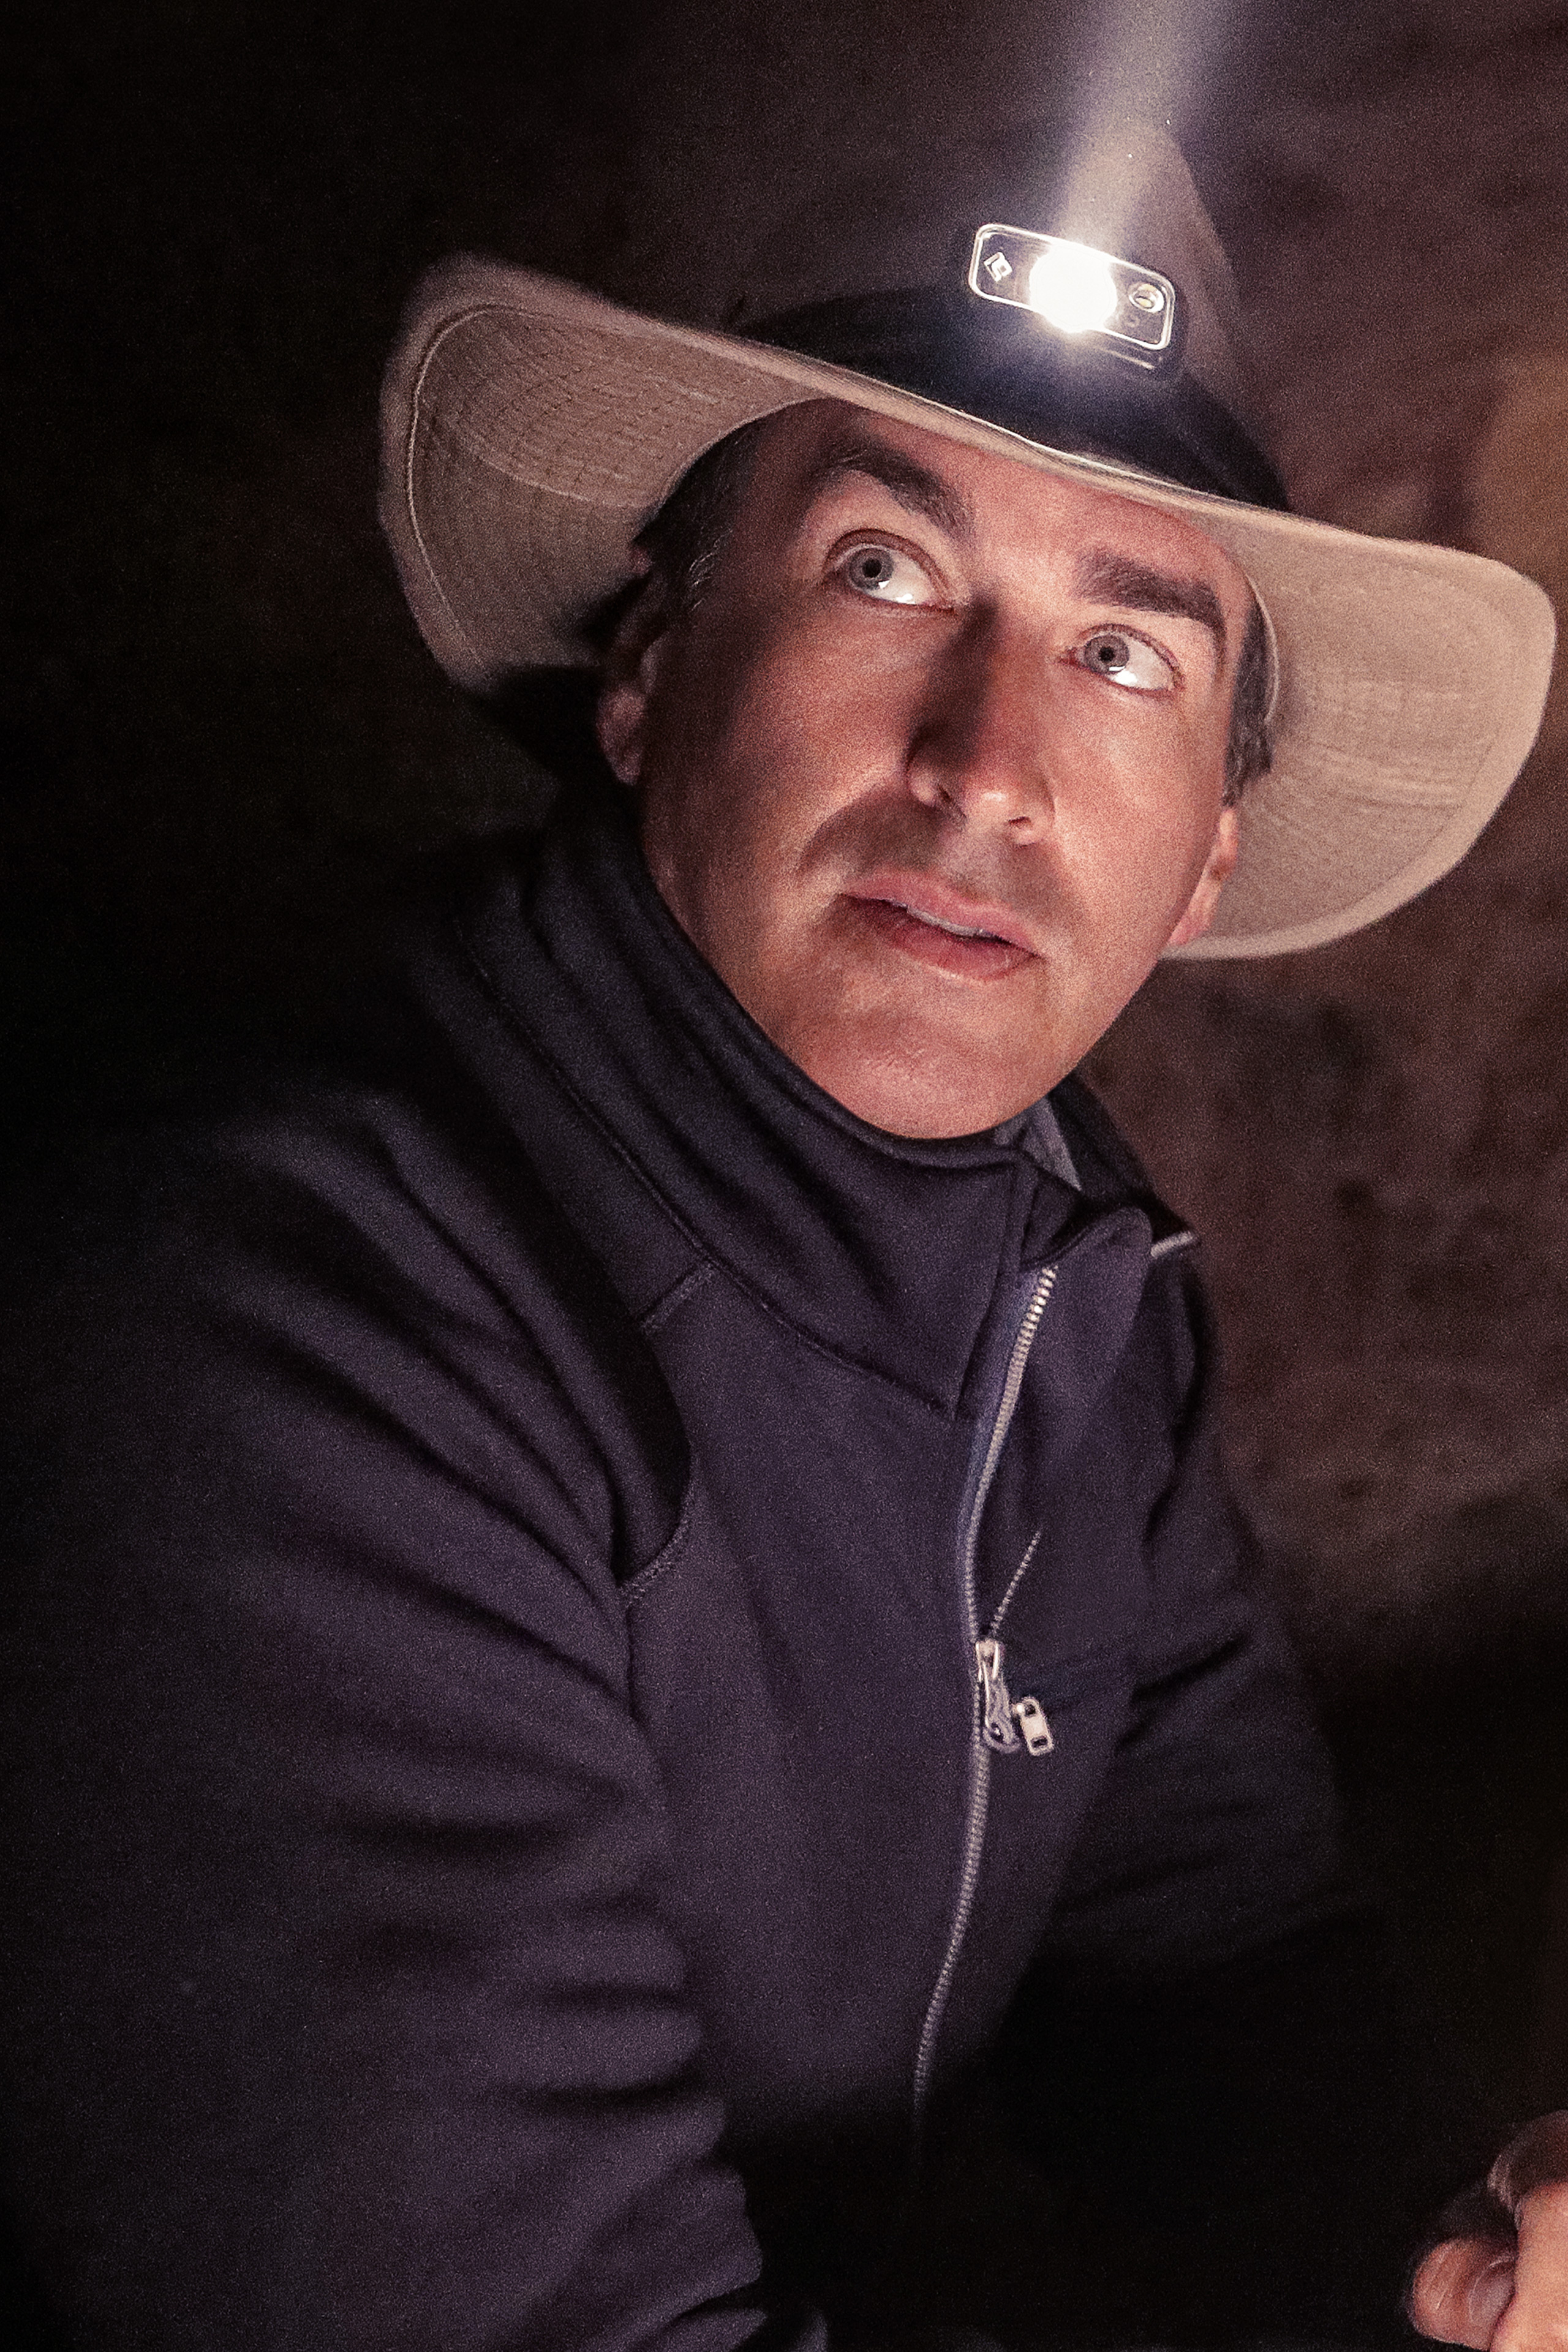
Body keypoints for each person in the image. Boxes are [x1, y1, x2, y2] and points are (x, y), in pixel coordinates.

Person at [0, 118, 1560, 2352]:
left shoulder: (1077, 1275)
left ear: (1207, 857)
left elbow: (1217, 1965)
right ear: (648, 671)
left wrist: (1455, 2279)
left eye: (1124, 655)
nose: (988, 766)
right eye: (884, 572)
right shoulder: (282, 1330)